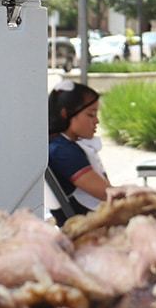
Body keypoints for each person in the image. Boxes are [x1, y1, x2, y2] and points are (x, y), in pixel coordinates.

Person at [47, 81, 112, 224]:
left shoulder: (63, 146)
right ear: (66, 114)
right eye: (91, 114)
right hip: (90, 228)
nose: (97, 121)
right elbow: (108, 195)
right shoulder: (63, 152)